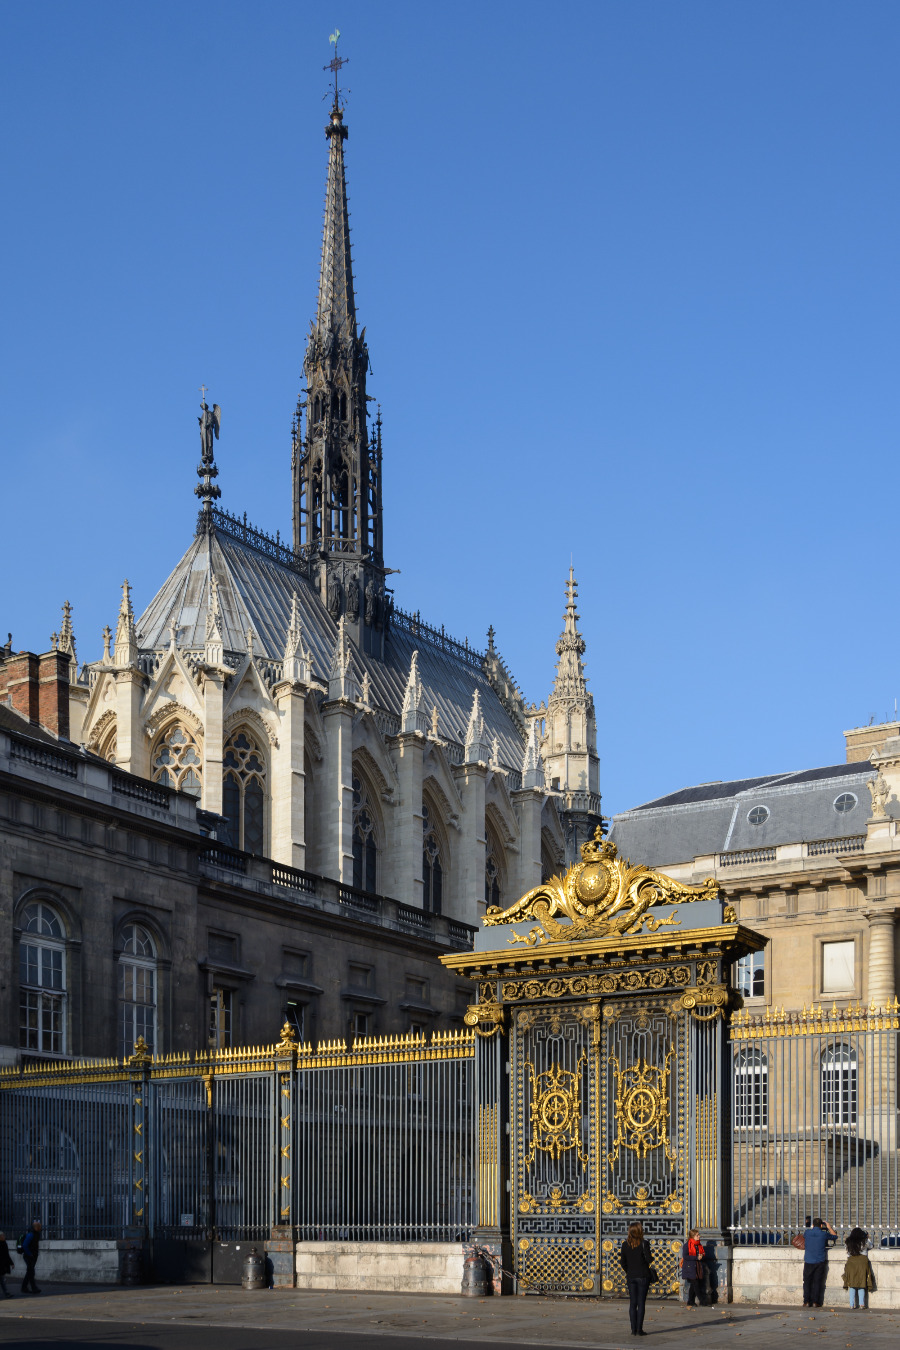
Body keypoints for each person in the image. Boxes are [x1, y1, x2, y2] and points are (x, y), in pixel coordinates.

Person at [619, 1220, 653, 1337]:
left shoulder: (625, 1244)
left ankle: (633, 1330)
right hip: (643, 1276)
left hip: (631, 1276)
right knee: (641, 1303)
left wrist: (629, 1271)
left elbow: (622, 1262)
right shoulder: (644, 1243)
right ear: (640, 1231)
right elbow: (649, 1260)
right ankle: (639, 1330)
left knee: (632, 1303)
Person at [802, 1216, 836, 1307]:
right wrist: (828, 1227)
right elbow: (835, 1236)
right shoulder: (823, 1234)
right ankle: (815, 1302)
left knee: (807, 1281)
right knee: (817, 1282)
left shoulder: (807, 1232)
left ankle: (806, 1301)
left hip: (808, 1260)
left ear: (812, 1225)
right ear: (821, 1225)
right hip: (819, 1260)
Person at [842, 1227, 875, 1310]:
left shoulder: (848, 1242)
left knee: (852, 1283)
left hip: (851, 1262)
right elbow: (871, 1246)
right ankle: (861, 1304)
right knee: (862, 1283)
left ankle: (851, 1304)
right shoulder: (864, 1241)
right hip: (862, 1262)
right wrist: (867, 1237)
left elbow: (846, 1249)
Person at [680, 1228, 707, 1306]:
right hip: (689, 1267)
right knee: (696, 1284)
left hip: (697, 1266)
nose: (699, 1236)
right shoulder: (687, 1245)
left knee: (693, 1284)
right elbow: (685, 1256)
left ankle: (690, 1301)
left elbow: (702, 1253)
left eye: (698, 1235)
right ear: (692, 1236)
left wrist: (701, 1256)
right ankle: (702, 1301)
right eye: (697, 1235)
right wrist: (696, 1258)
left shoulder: (698, 1245)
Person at [20, 1220, 41, 1295]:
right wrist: (30, 1254)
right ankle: (34, 1288)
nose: (40, 1227)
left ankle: (24, 1287)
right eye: (39, 1226)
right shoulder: (31, 1235)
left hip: (33, 1255)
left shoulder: (36, 1234)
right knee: (31, 1272)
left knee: (29, 1272)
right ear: (36, 1227)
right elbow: (25, 1245)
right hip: (29, 1256)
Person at [0, 1232, 14, 1297]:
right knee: (2, 1280)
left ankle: (6, 1293)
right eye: (3, 1236)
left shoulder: (4, 1243)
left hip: (2, 1265)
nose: (4, 1236)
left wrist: (11, 1263)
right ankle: (6, 1293)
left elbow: (6, 1255)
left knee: (2, 1280)